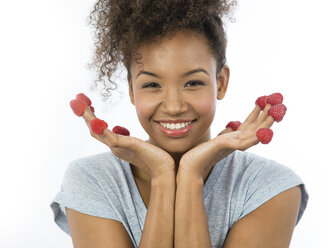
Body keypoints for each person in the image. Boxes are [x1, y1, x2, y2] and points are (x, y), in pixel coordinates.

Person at [50, 0, 309, 247]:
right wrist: (163, 176)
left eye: (193, 83)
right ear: (131, 89)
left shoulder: (270, 187)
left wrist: (191, 174)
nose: (173, 106)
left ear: (221, 82)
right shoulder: (92, 180)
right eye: (152, 85)